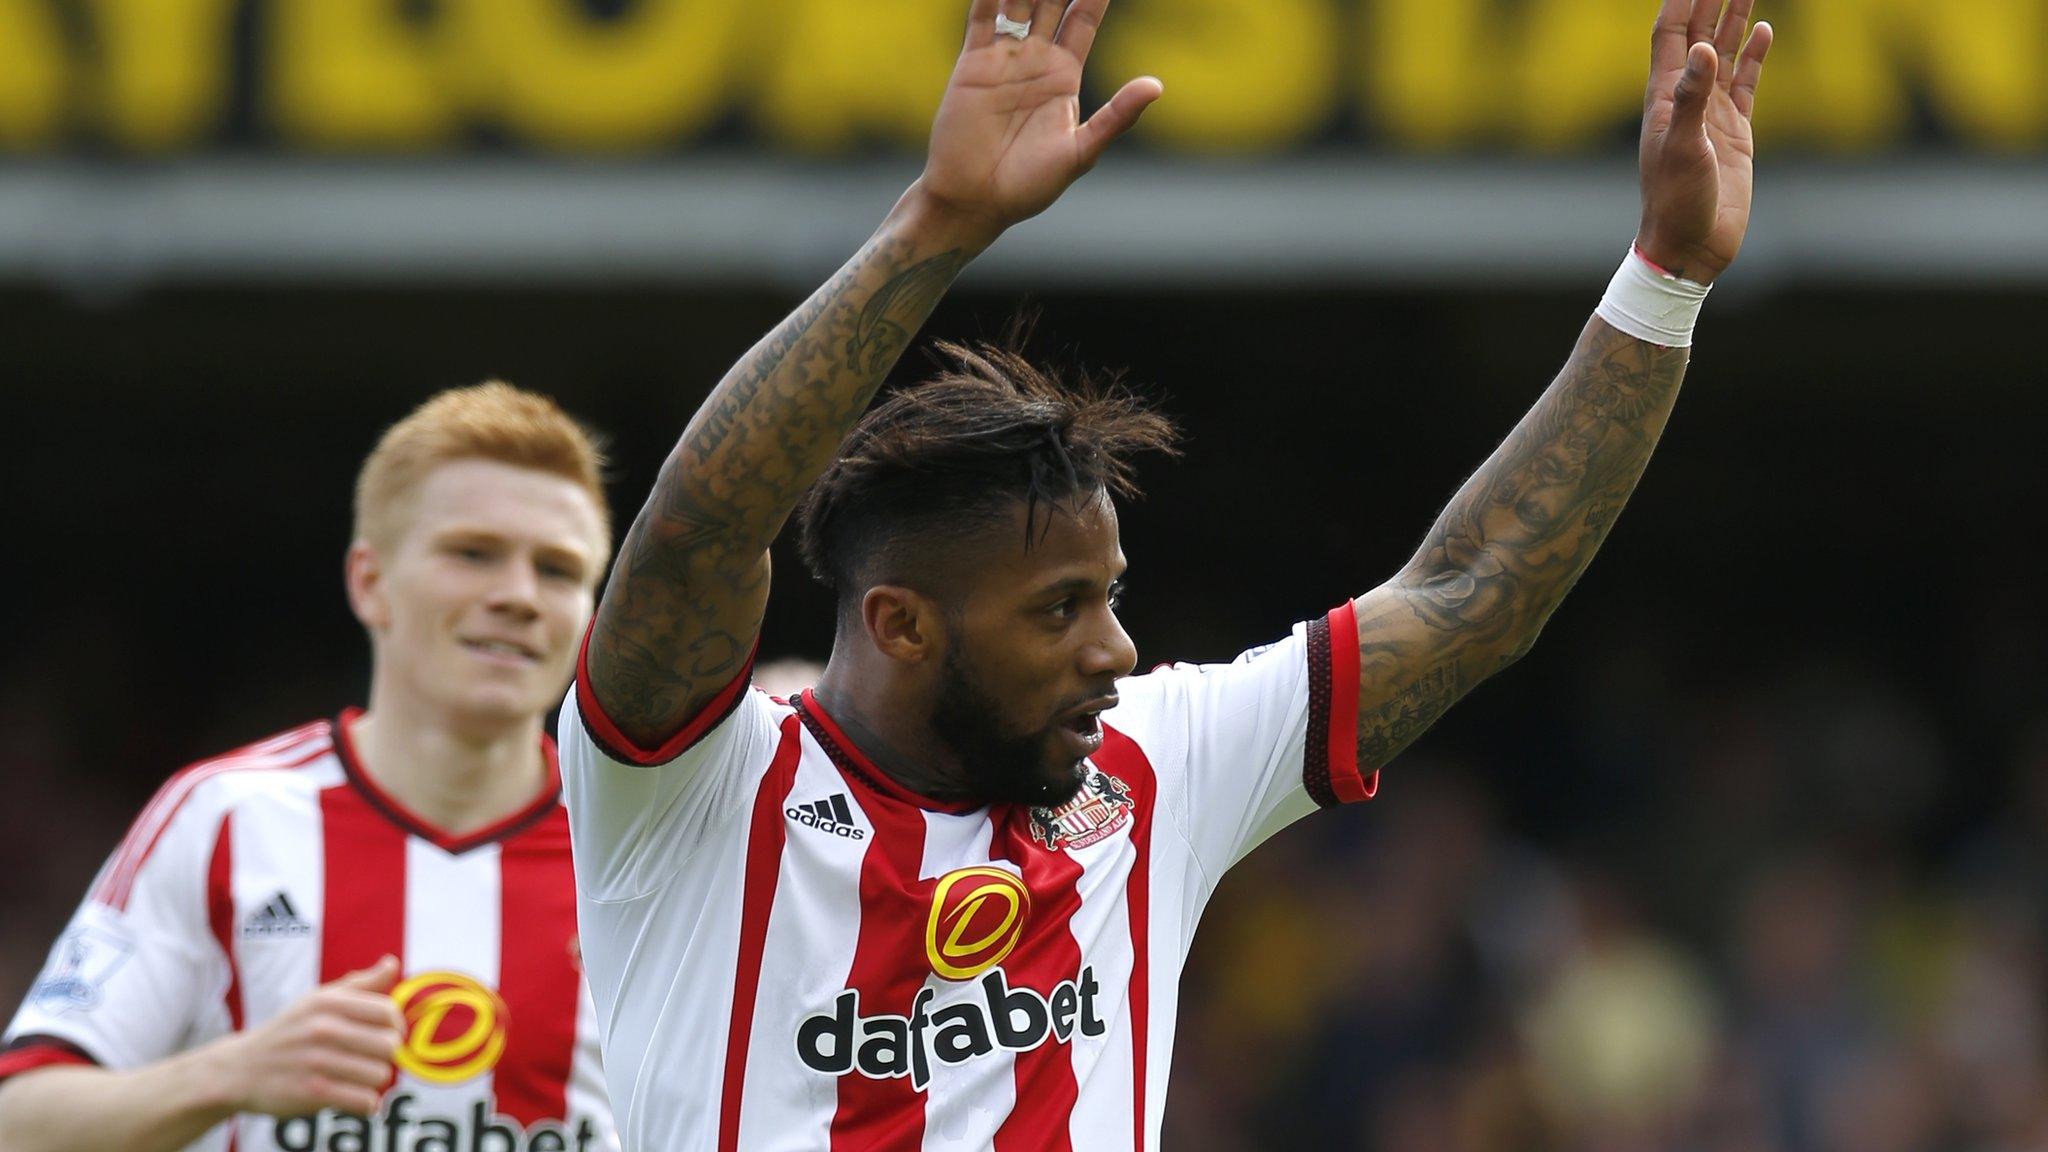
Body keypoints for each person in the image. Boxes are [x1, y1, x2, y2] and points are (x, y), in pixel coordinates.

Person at [561, 0, 1774, 1146]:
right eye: (1058, 611)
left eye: (1109, 597)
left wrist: (1662, 282)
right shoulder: (694, 796)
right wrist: (932, 229)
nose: (1115, 650)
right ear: (901, 625)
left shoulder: (1144, 766)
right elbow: (695, 537)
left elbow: (1474, 591)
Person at [0, 384, 622, 1152]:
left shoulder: (638, 854)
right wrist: (228, 1074)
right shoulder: (227, 816)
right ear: (370, 582)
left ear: (591, 616)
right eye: (473, 553)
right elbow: (20, 1123)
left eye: (558, 570)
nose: (520, 596)